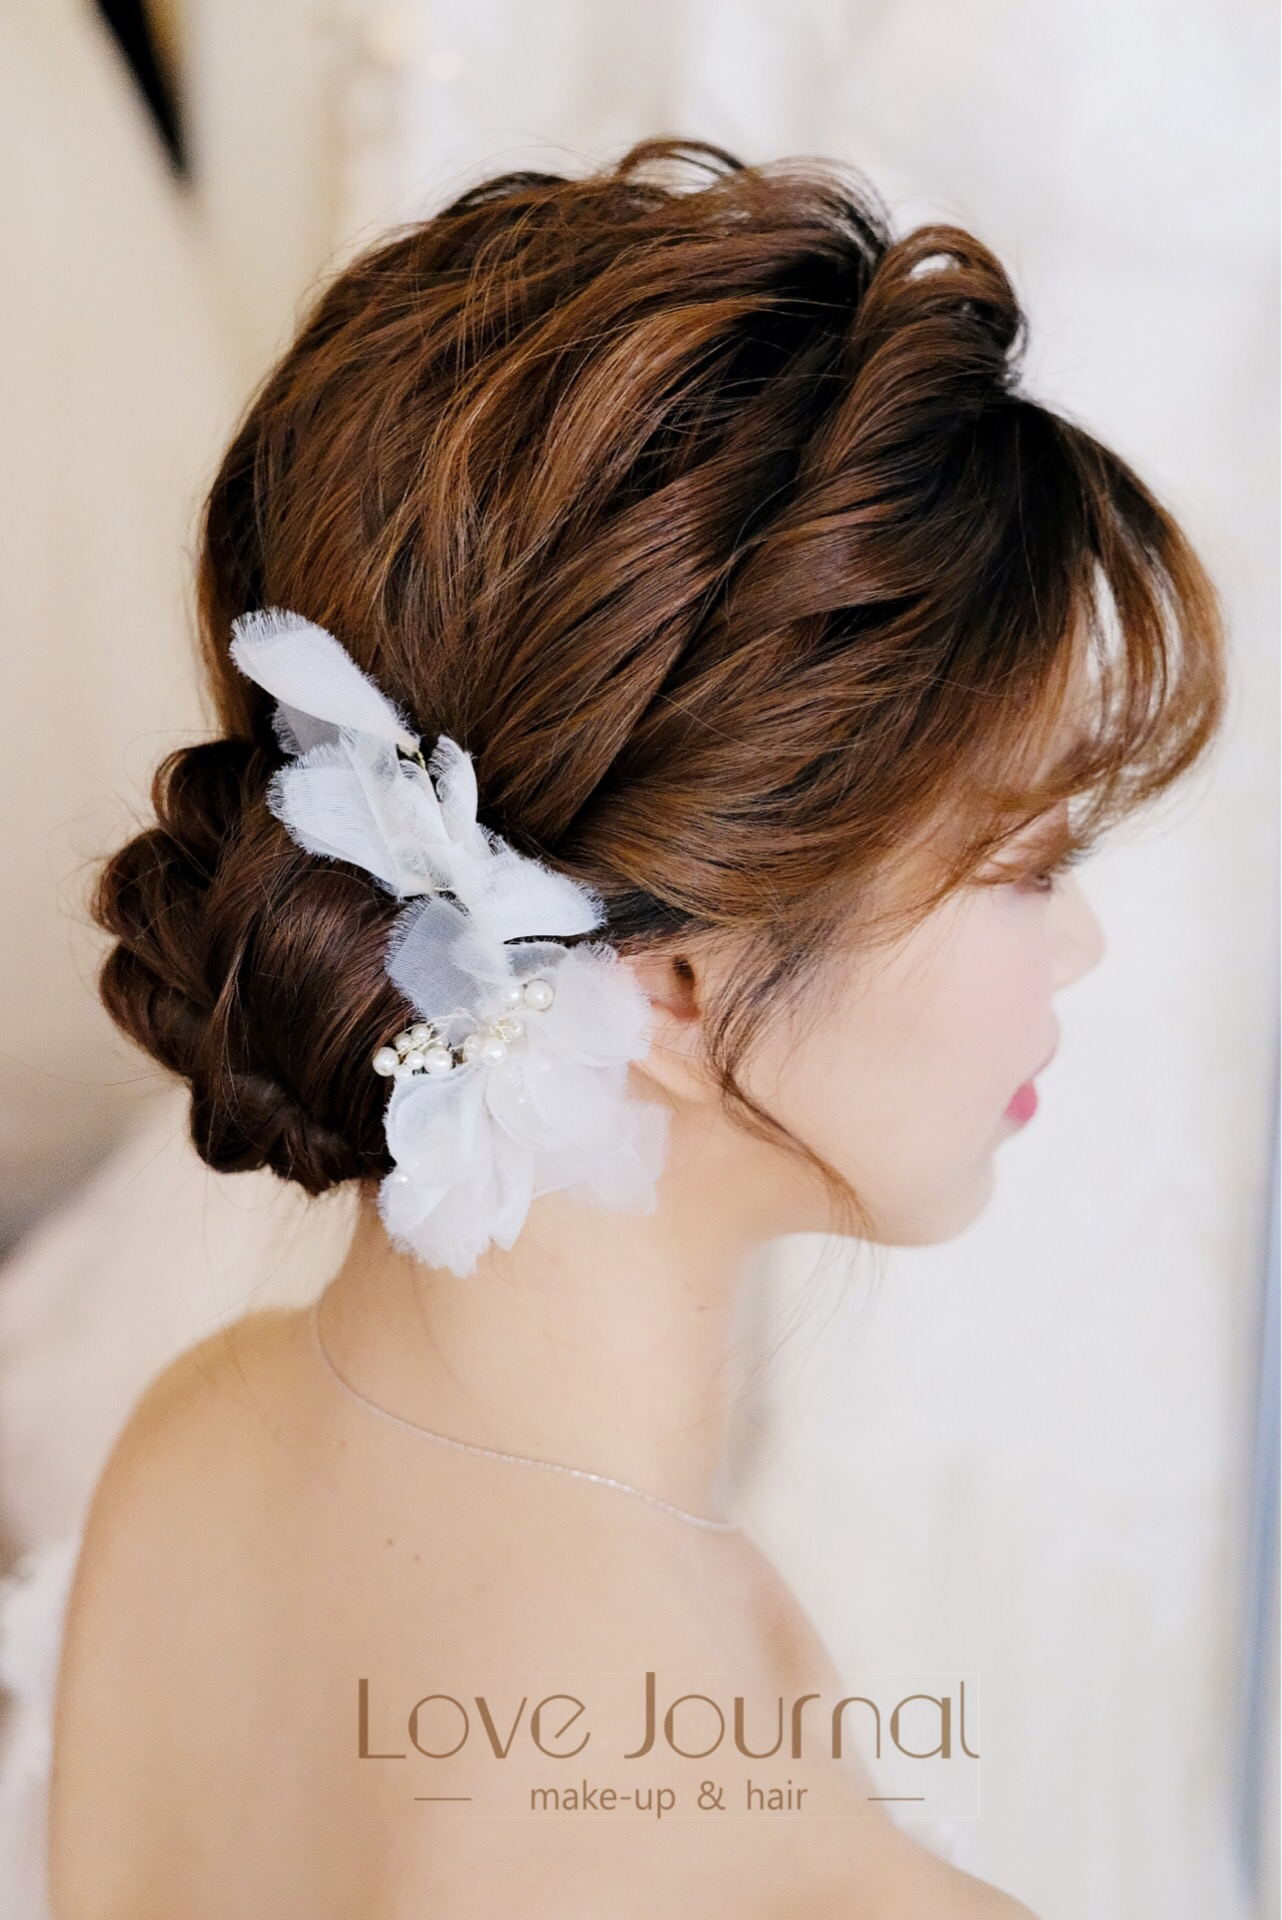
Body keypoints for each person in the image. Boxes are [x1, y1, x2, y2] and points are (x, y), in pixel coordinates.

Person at [43, 138, 1225, 1917]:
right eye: (1022, 867)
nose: (1079, 943)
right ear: (670, 981)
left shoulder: (196, 1448)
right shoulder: (785, 1881)